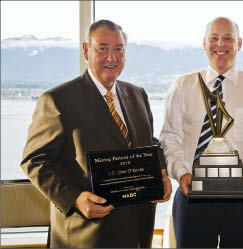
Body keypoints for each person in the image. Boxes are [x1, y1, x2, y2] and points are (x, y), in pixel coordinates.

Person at [21, 19, 171, 248]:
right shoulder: (58, 100)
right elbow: (35, 160)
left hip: (138, 231)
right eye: (103, 48)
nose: (111, 57)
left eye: (118, 49)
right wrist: (76, 199)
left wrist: (160, 173)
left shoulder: (138, 94)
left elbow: (148, 143)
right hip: (86, 235)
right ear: (85, 51)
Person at [160, 17, 243, 248]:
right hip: (191, 193)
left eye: (228, 38)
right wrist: (181, 172)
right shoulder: (182, 86)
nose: (220, 44)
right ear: (204, 43)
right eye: (214, 38)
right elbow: (170, 138)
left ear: (239, 43)